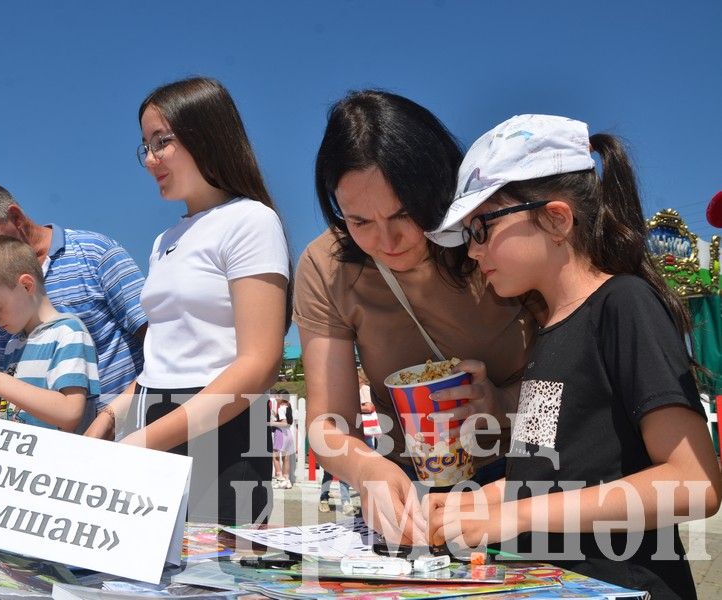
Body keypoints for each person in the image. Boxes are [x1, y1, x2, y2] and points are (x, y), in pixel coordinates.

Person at [425, 114, 722, 599]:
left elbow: (695, 482)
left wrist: (512, 514)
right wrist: (480, 501)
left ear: (557, 218)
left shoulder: (624, 304)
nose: (473, 252)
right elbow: (543, 473)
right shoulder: (549, 331)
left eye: (480, 227)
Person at [293, 91, 539, 546]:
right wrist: (366, 469)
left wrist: (501, 405)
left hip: (525, 482)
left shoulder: (495, 236)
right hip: (410, 488)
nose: (387, 241)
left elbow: (581, 388)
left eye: (403, 212)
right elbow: (329, 422)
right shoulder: (325, 266)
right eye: (359, 221)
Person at [85, 77, 290, 525]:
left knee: (210, 578)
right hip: (152, 424)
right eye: (145, 146)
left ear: (206, 135)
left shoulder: (251, 221)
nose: (150, 159)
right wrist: (110, 418)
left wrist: (144, 440)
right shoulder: (163, 240)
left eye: (162, 142)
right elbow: (167, 355)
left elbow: (258, 364)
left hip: (222, 431)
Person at [0, 181, 147, 415]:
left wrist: (112, 419)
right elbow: (10, 383)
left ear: (16, 217)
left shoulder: (95, 252)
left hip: (121, 436)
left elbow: (157, 341)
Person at [0, 236, 100, 432]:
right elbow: (16, 414)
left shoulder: (68, 333)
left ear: (26, 286)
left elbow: (69, 412)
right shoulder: (15, 343)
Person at [269, 391, 295, 490]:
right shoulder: (288, 407)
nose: (276, 397)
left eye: (278, 395)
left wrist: (270, 423)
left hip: (280, 434)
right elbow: (288, 423)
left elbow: (284, 423)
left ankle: (280, 479)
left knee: (275, 457)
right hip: (288, 434)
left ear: (282, 397)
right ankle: (287, 480)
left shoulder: (281, 409)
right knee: (286, 458)